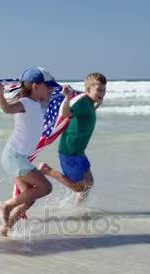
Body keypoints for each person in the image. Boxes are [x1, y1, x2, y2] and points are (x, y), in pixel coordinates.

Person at [0, 67, 59, 236]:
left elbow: (50, 99)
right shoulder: (24, 103)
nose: (51, 89)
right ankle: (6, 205)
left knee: (29, 197)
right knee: (46, 187)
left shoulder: (37, 103)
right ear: (35, 86)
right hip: (14, 156)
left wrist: (66, 96)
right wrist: (0, 95)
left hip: (16, 156)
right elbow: (7, 109)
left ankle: (4, 229)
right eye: (48, 86)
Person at [39, 72, 107, 204]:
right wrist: (67, 98)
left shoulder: (89, 103)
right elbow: (65, 113)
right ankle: (47, 170)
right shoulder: (81, 102)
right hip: (70, 152)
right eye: (99, 90)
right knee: (80, 187)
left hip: (79, 152)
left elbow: (86, 115)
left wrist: (97, 105)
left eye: (104, 90)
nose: (102, 93)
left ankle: (78, 208)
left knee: (89, 183)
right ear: (88, 89)